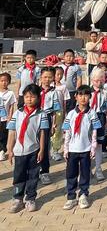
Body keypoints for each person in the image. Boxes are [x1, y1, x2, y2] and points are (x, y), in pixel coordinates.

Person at [7, 83, 49, 213]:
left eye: (32, 97)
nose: (29, 99)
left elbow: (42, 133)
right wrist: (10, 149)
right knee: (19, 175)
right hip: (19, 151)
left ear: (38, 98)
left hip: (34, 150)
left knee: (33, 175)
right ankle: (18, 198)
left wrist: (42, 150)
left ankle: (30, 198)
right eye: (26, 97)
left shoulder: (41, 114)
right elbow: (12, 132)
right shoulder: (17, 113)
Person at [62, 85, 101, 210]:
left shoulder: (92, 113)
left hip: (86, 149)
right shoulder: (71, 114)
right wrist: (66, 148)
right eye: (80, 95)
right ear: (76, 97)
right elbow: (67, 132)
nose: (83, 98)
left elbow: (94, 131)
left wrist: (93, 147)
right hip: (73, 149)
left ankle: (84, 194)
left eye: (86, 95)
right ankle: (71, 197)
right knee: (71, 174)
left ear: (90, 97)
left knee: (85, 173)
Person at [89, 68, 107, 181]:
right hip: (88, 117)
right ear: (92, 80)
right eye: (96, 80)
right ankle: (87, 168)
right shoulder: (87, 92)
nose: (98, 83)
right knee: (88, 143)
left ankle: (98, 168)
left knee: (99, 144)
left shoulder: (105, 92)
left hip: (100, 117)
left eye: (101, 80)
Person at [38, 67, 61, 185]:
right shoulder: (35, 90)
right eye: (45, 77)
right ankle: (34, 170)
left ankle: (44, 172)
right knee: (33, 145)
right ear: (40, 77)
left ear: (53, 78)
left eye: (50, 77)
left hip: (46, 118)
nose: (47, 80)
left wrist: (53, 124)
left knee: (45, 146)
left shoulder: (54, 92)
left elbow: (55, 111)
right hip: (34, 119)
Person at [51, 66, 69, 162]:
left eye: (61, 74)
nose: (59, 76)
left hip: (59, 112)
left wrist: (64, 113)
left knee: (57, 131)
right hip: (49, 112)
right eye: (57, 74)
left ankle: (55, 150)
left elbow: (65, 102)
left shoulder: (63, 87)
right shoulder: (49, 86)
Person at [0, 72, 16, 161]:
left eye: (6, 81)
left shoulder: (10, 93)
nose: (4, 83)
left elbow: (11, 106)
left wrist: (10, 117)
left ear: (9, 82)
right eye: (2, 81)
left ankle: (2, 151)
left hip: (4, 119)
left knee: (3, 135)